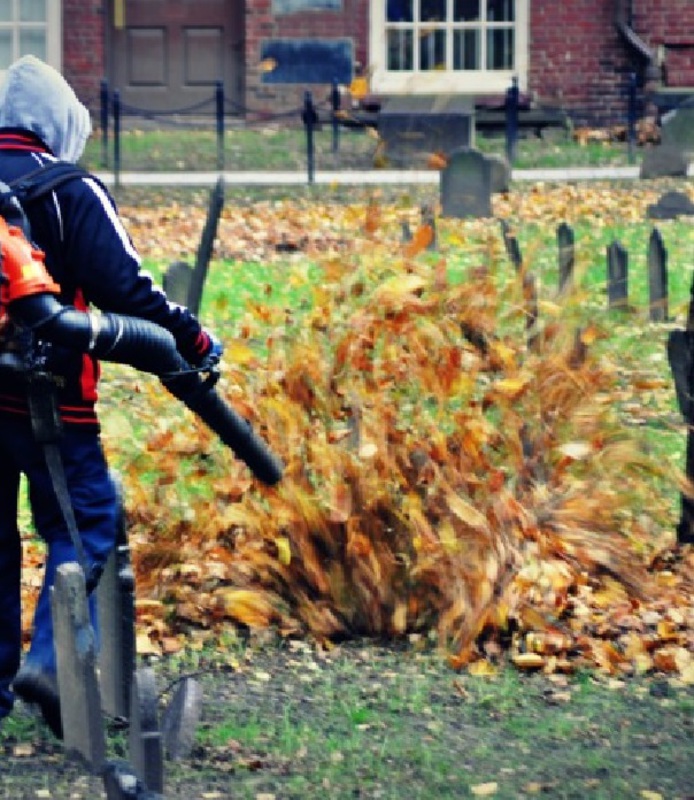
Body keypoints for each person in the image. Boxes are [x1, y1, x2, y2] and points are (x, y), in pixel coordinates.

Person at [0, 55, 221, 737]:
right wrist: (195, 343)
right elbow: (130, 292)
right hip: (49, 400)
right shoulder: (70, 189)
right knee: (86, 523)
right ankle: (52, 664)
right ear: (59, 123)